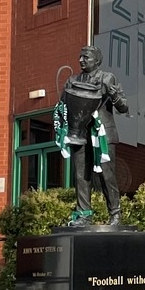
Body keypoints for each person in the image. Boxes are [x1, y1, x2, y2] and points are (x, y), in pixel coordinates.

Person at [60, 45, 130, 225]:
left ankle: (115, 213)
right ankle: (84, 214)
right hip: (79, 133)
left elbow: (124, 108)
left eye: (86, 57)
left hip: (103, 133)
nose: (81, 60)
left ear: (97, 61)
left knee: (107, 175)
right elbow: (63, 104)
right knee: (81, 175)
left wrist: (115, 97)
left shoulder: (107, 78)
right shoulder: (72, 80)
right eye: (80, 57)